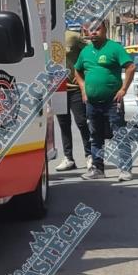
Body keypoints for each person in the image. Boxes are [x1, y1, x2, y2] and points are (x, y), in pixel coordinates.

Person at [74, 19, 136, 181]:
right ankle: (97, 169)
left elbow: (130, 67)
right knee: (95, 136)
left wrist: (123, 89)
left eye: (97, 29)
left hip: (112, 101)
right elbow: (77, 71)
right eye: (90, 30)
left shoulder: (114, 48)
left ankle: (125, 169)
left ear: (105, 29)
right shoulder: (86, 51)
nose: (93, 32)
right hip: (92, 103)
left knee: (119, 134)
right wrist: (83, 90)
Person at [55, 27, 92, 171]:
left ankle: (90, 156)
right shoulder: (45, 39)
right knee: (64, 124)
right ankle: (68, 158)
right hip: (57, 89)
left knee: (81, 122)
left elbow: (91, 52)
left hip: (75, 87)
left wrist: (85, 75)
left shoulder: (72, 36)